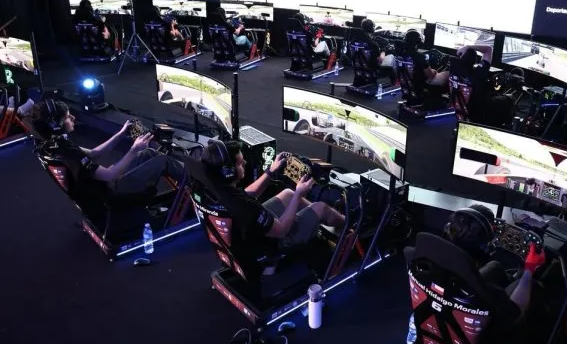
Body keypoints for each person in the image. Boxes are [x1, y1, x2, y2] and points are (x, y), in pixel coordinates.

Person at [407, 205, 545, 344]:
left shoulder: (420, 258)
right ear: (484, 246)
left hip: (429, 327)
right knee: (534, 286)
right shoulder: (486, 290)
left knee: (495, 267)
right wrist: (529, 270)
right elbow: (515, 314)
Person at [201, 140, 345, 248]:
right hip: (272, 243)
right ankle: (347, 224)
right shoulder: (246, 208)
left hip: (250, 232)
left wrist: (270, 171)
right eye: (240, 163)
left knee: (288, 194)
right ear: (228, 172)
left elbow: (248, 194)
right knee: (321, 207)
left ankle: (321, 219)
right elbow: (281, 230)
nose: (245, 162)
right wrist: (299, 194)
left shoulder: (219, 188)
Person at [30, 99, 186, 198]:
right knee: (163, 161)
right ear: (55, 124)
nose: (73, 118)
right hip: (109, 192)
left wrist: (121, 133)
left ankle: (185, 189)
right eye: (68, 117)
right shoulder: (66, 150)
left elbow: (94, 153)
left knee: (149, 153)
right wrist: (134, 149)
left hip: (98, 187)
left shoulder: (54, 143)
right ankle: (196, 185)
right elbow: (110, 176)